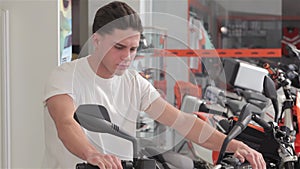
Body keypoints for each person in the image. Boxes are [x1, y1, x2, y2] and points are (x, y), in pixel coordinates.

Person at [42, 1, 266, 169]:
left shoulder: (134, 83)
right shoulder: (65, 76)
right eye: (119, 47)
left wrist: (232, 144)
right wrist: (92, 155)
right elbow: (66, 124)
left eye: (133, 49)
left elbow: (183, 121)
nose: (127, 57)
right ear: (97, 40)